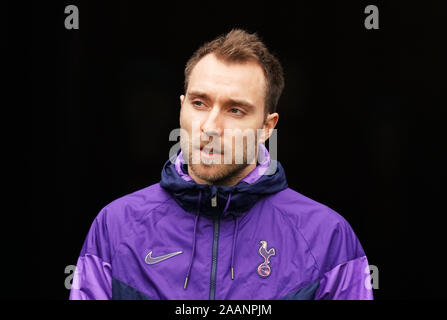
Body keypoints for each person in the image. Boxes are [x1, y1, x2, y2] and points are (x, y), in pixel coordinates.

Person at [69, 29, 373, 300]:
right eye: (199, 103)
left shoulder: (327, 237)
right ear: (181, 107)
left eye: (236, 110)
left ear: (267, 127)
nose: (211, 126)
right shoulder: (115, 227)